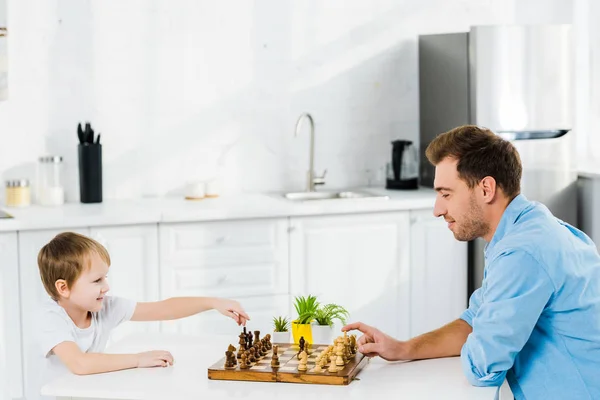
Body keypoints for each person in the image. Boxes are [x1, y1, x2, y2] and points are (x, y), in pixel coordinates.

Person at [343, 125, 600, 399]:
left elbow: (482, 367)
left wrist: (485, 338)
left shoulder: (522, 251)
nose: (437, 210)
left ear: (486, 188)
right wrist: (403, 348)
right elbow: (475, 321)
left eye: (446, 194)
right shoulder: (526, 227)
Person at [35, 232, 249, 393]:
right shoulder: (51, 318)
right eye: (97, 280)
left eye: (105, 277)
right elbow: (80, 364)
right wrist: (138, 359)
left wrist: (213, 302)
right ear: (63, 288)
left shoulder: (104, 307)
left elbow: (163, 308)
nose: (106, 287)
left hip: (88, 392)